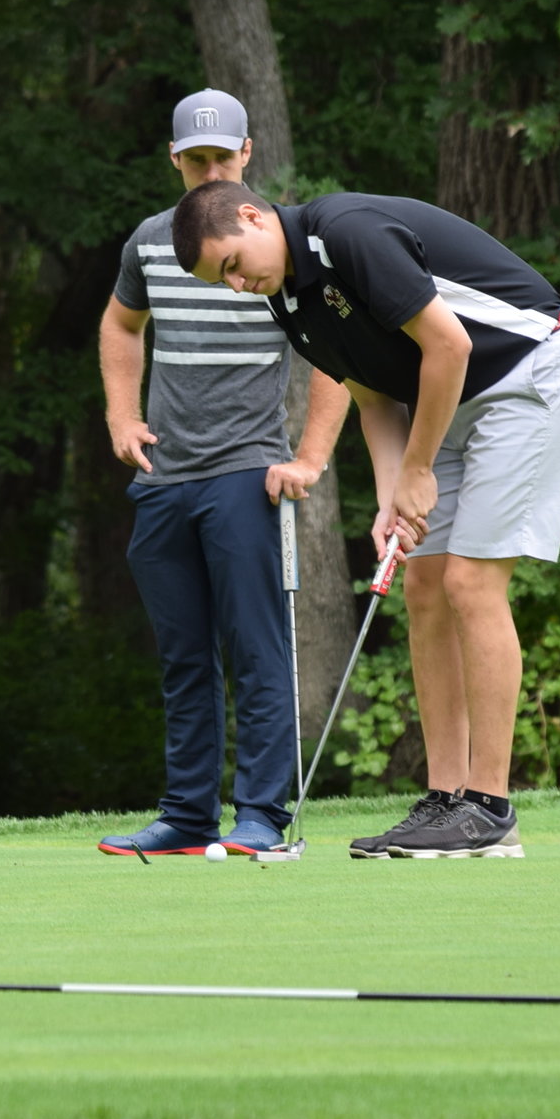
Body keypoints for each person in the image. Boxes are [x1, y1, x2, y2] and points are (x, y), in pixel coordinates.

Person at [178, 177, 560, 859]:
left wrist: (416, 471)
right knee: (422, 585)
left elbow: (450, 346)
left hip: (532, 370)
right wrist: (392, 497)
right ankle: (447, 802)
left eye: (231, 264)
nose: (236, 284)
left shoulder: (347, 232)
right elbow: (375, 398)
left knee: (470, 583)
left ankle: (490, 810)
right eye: (221, 281)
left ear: (251, 215)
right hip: (453, 400)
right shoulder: (289, 303)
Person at [94, 90, 350, 859]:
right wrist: (119, 413)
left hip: (246, 475)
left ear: (246, 153)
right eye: (195, 159)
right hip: (165, 478)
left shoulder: (271, 240)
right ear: (175, 160)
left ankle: (262, 814)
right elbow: (119, 324)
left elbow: (335, 353)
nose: (210, 171)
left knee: (255, 647)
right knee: (183, 654)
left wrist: (309, 459)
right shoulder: (148, 242)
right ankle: (187, 814)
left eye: (222, 157)